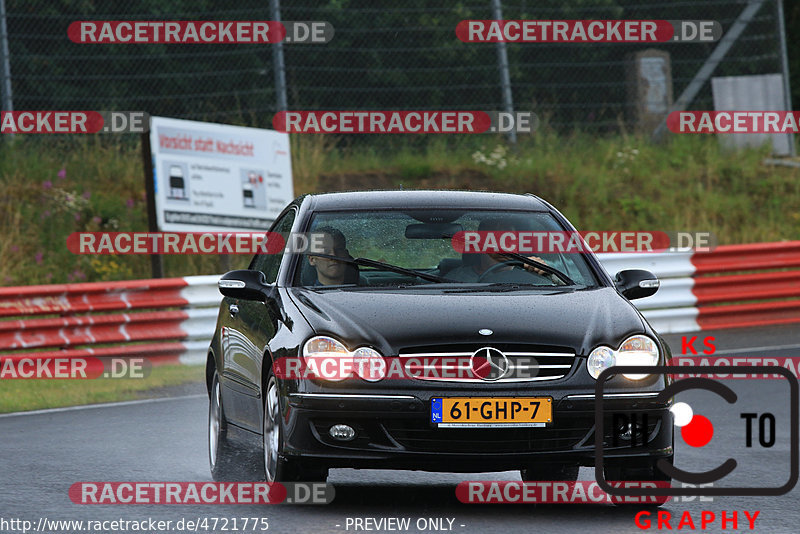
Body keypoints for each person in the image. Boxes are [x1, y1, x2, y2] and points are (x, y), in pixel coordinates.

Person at [445, 218, 556, 283]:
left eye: (508, 238)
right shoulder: (457, 279)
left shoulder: (533, 275)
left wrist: (546, 274)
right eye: (495, 238)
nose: (502, 244)